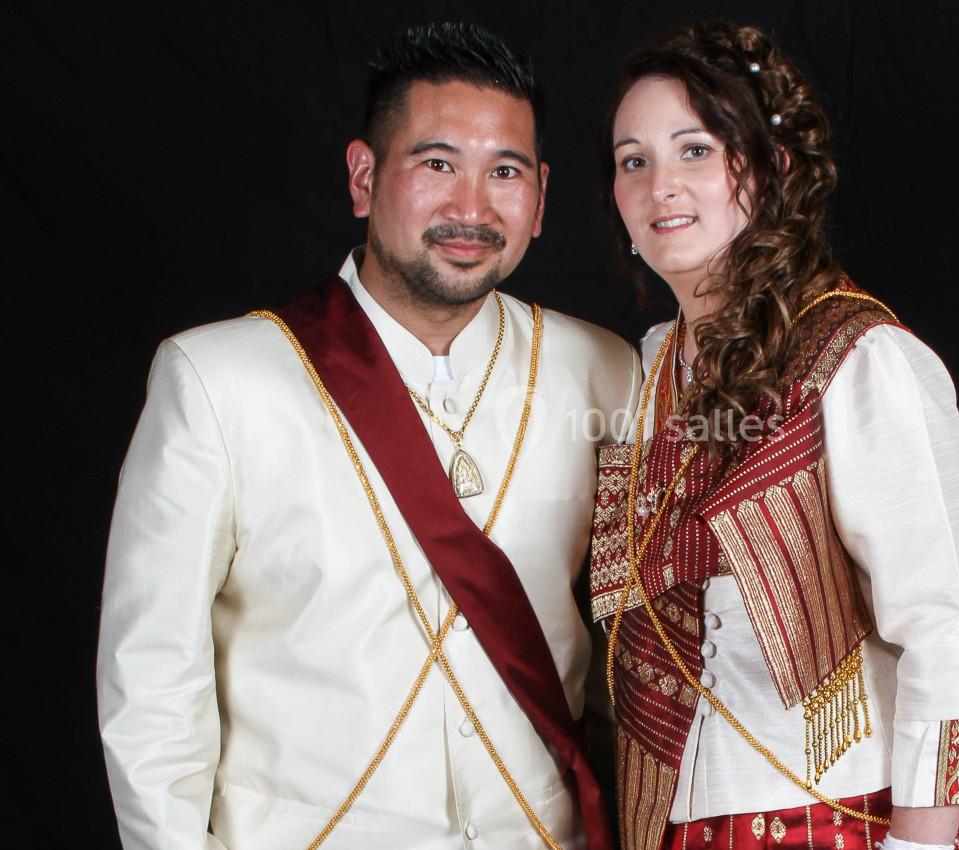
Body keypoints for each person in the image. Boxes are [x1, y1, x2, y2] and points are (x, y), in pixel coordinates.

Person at [98, 22, 638, 850]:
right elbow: (152, 686)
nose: (471, 208)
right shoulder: (216, 380)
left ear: (540, 198)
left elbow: (629, 657)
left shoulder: (603, 371)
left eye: (504, 171)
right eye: (437, 164)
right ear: (364, 176)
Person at [589, 21, 959, 850]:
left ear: (772, 166)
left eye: (695, 150)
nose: (660, 185)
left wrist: (920, 845)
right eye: (633, 161)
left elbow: (947, 633)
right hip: (665, 825)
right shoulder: (646, 367)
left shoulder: (861, 358)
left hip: (834, 824)